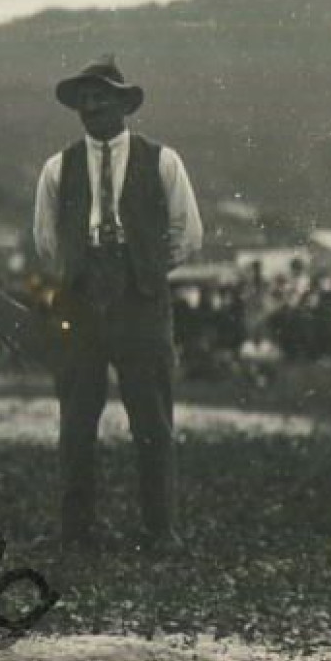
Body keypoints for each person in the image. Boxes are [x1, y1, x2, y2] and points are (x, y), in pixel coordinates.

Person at [33, 55, 203, 557]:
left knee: (152, 419)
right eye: (86, 99)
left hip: (141, 301)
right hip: (80, 301)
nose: (94, 106)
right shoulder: (56, 168)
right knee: (76, 420)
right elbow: (47, 241)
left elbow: (188, 234)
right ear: (78, 108)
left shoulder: (163, 161)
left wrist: (145, 269)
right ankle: (76, 529)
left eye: (103, 96)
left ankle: (160, 529)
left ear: (124, 103)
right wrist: (80, 270)